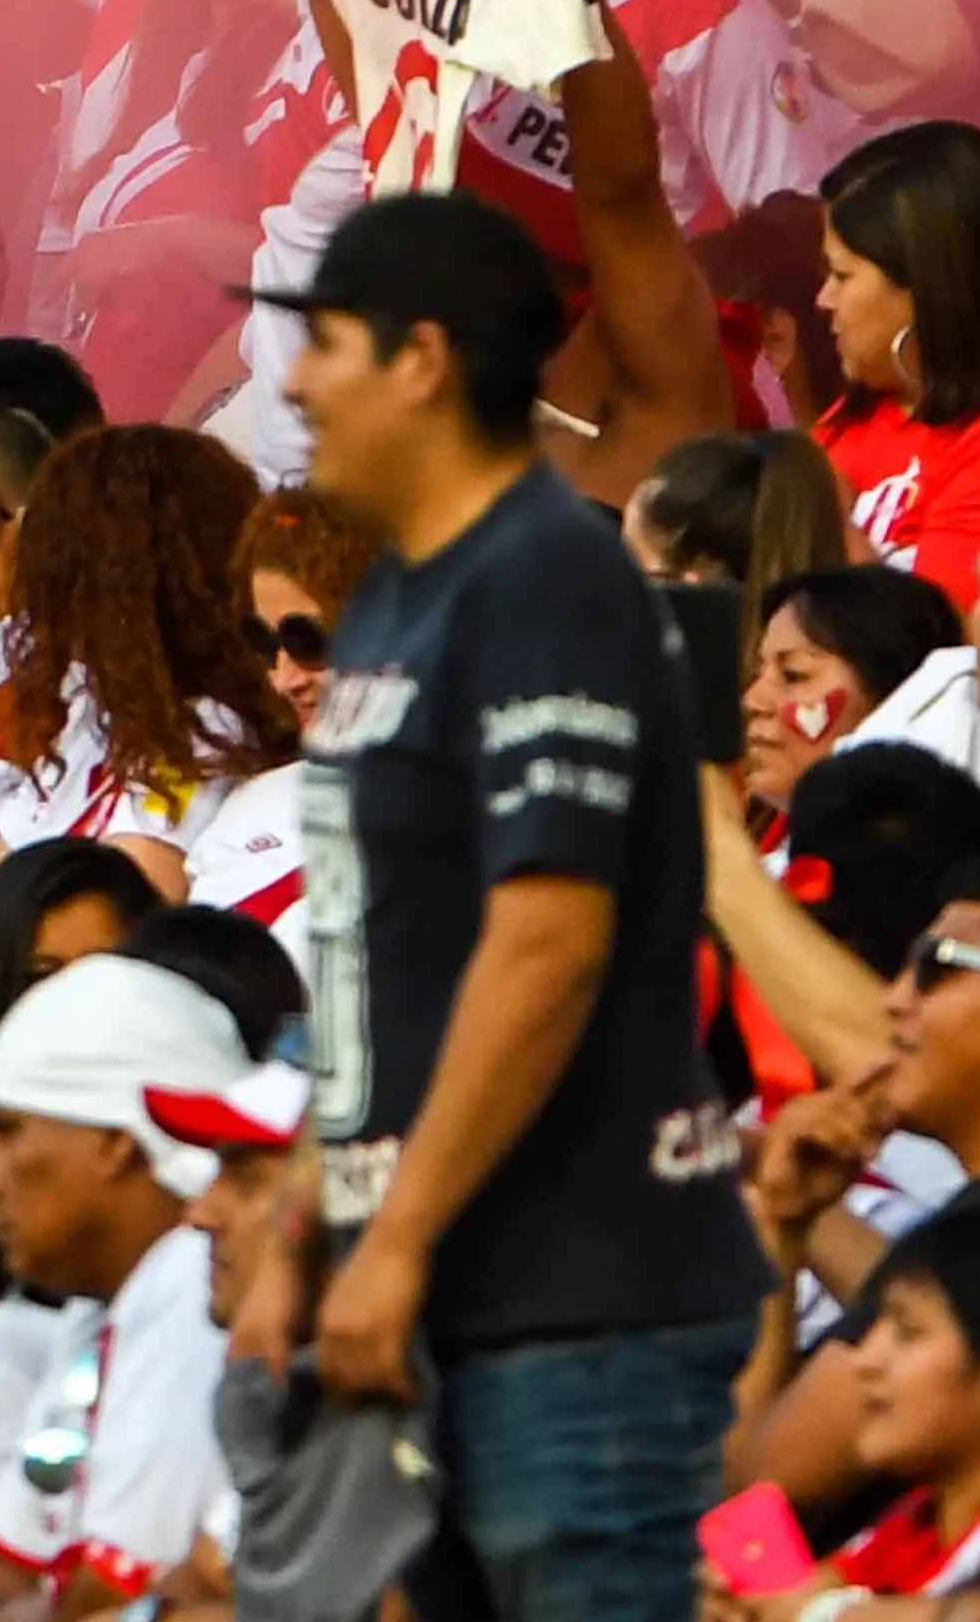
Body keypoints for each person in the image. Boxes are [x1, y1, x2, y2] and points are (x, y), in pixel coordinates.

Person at [263, 187, 771, 1601]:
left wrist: (395, 1237)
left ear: (421, 359)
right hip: (449, 1305)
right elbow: (385, 952)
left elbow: (547, 942)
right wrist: (307, 1214)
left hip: (577, 1316)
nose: (295, 382)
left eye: (325, 342)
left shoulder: (547, 577)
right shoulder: (397, 592)